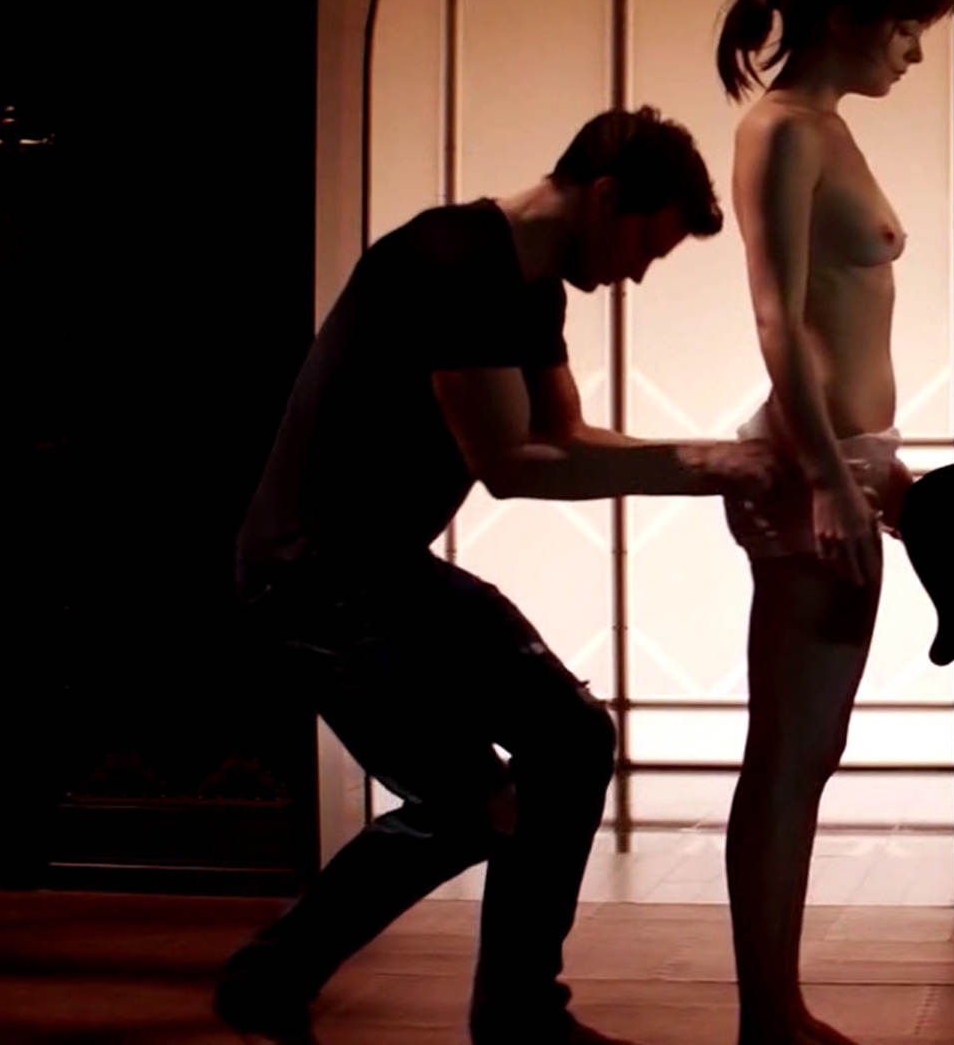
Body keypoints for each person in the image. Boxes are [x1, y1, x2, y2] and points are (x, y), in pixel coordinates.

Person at [218, 106, 781, 1045]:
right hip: (309, 579)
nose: (638, 274)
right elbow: (512, 465)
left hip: (384, 570)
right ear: (605, 196)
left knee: (571, 738)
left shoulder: (532, 289)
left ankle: (520, 1011)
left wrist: (712, 465)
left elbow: (566, 436)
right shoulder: (453, 261)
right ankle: (271, 974)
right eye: (646, 245)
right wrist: (709, 465)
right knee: (468, 808)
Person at [714, 0, 954, 1045]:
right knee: (789, 751)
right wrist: (825, 476)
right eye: (904, 28)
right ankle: (769, 1014)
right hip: (810, 464)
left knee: (810, 749)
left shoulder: (828, 127)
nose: (914, 52)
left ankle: (775, 1006)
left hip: (852, 457)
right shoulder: (777, 130)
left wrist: (876, 466)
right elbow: (778, 320)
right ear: (847, 19)